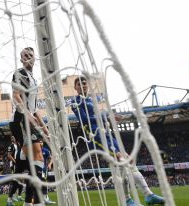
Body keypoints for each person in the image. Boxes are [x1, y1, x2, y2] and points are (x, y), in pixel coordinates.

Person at [71, 76, 165, 206]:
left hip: (107, 134)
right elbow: (84, 120)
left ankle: (147, 195)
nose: (83, 85)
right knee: (122, 160)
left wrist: (107, 118)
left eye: (84, 83)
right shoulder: (75, 102)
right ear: (75, 88)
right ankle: (130, 199)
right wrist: (107, 117)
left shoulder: (91, 101)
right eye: (79, 84)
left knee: (128, 161)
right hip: (96, 136)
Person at [9, 47, 49, 206]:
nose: (27, 58)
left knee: (35, 163)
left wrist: (45, 128)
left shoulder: (34, 79)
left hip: (29, 120)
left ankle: (29, 203)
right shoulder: (19, 74)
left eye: (30, 55)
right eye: (24, 56)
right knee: (38, 155)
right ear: (21, 60)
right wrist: (27, 114)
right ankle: (37, 202)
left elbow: (35, 108)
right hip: (20, 119)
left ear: (34, 59)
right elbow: (16, 96)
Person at [6, 135, 24, 204]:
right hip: (14, 164)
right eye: (11, 138)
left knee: (20, 181)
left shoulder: (18, 145)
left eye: (13, 137)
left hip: (19, 164)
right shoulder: (11, 146)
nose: (12, 138)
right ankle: (10, 198)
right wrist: (15, 161)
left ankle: (17, 196)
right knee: (15, 181)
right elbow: (9, 155)